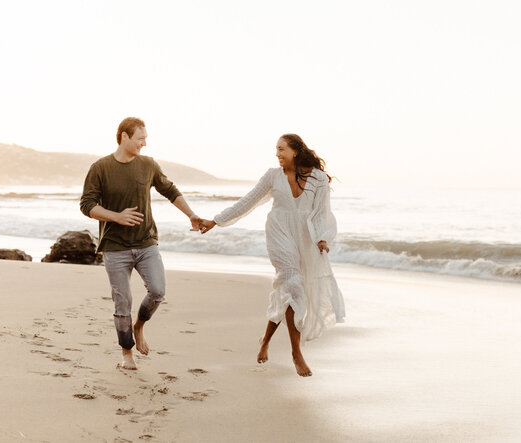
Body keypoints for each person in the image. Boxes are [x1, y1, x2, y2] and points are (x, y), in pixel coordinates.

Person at [198, 134, 345, 377]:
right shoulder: (272, 175)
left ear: (296, 151)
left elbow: (322, 212)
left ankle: (265, 340)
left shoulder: (318, 178)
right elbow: (248, 202)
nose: (277, 154)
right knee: (293, 283)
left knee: (289, 292)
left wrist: (323, 238)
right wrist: (216, 221)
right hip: (278, 233)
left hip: (305, 238)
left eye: (281, 149)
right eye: (276, 150)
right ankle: (296, 354)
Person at [80, 117, 202, 370]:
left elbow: (170, 190)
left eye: (146, 138)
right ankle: (127, 353)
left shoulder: (148, 165)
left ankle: (139, 326)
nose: (144, 143)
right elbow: (87, 205)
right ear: (124, 136)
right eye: (140, 138)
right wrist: (116, 216)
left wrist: (190, 214)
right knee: (122, 302)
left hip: (146, 243)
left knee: (158, 291)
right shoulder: (100, 168)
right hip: (115, 247)